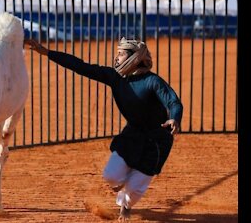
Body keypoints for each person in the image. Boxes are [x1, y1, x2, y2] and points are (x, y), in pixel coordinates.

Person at [26, 37, 183, 222]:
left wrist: (175, 117)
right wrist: (46, 52)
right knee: (110, 175)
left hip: (157, 139)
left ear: (135, 58)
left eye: (121, 53)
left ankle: (125, 207)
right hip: (133, 134)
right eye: (117, 53)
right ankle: (124, 190)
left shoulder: (152, 81)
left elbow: (173, 101)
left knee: (134, 188)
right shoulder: (115, 77)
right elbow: (80, 66)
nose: (116, 58)